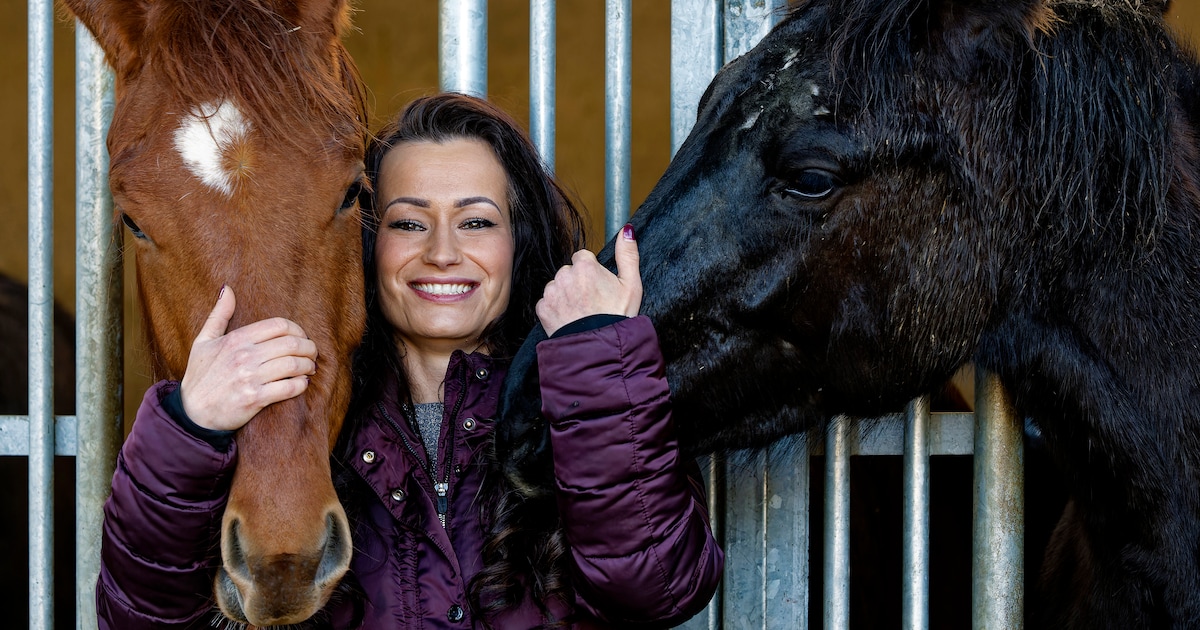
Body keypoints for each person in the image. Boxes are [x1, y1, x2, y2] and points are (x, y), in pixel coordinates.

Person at [95, 93, 723, 628]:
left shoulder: (585, 401)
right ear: (365, 244)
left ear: (518, 241)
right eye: (408, 223)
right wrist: (188, 425)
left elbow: (658, 590)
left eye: (476, 223)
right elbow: (139, 618)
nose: (442, 252)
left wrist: (598, 359)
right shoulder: (292, 425)